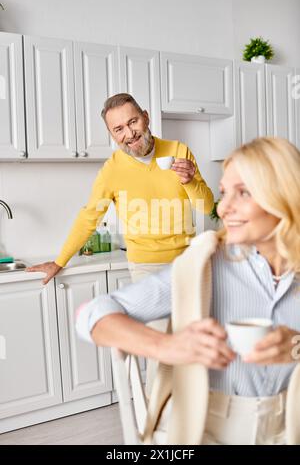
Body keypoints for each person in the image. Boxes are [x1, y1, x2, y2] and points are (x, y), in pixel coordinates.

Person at [76, 137, 300, 445]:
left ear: (285, 195)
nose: (224, 208)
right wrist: (165, 346)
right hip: (207, 429)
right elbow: (91, 315)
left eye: (244, 192)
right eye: (224, 193)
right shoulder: (205, 266)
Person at [26, 93, 214, 284]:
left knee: (193, 314)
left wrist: (189, 182)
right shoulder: (112, 169)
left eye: (133, 121)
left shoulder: (179, 151)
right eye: (119, 129)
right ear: (113, 135)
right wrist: (59, 262)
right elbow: (89, 217)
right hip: (144, 268)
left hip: (187, 261)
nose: (130, 133)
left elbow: (206, 207)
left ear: (146, 118)